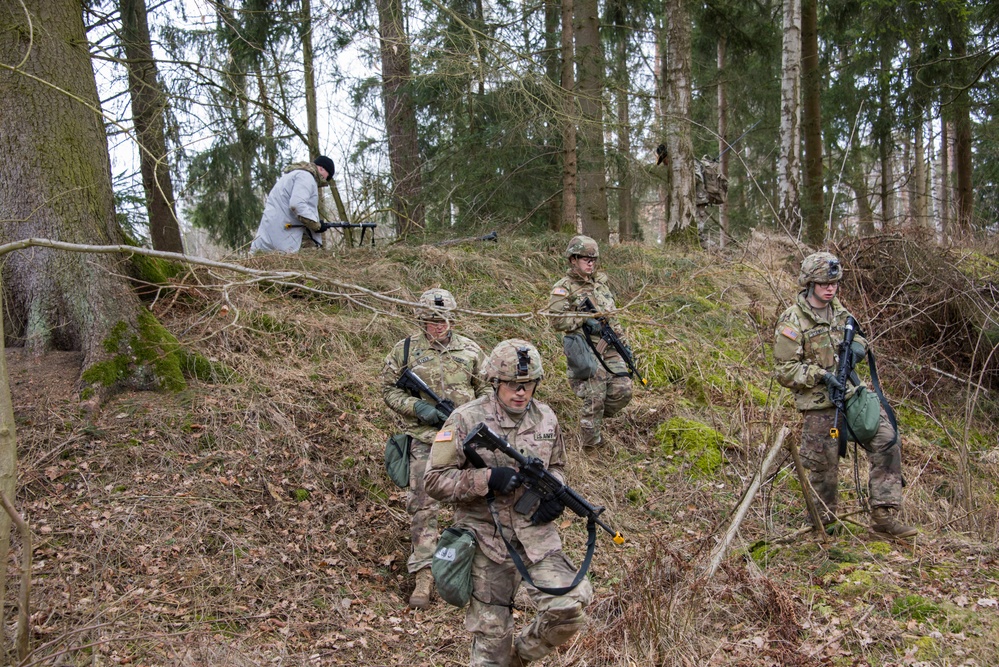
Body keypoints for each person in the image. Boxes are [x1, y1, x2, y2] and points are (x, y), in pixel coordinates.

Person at [425, 339, 593, 667]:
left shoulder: (546, 417)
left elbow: (557, 467)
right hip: (485, 540)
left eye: (528, 384)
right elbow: (433, 480)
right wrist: (486, 479)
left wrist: (553, 493)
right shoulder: (464, 418)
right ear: (494, 381)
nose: (521, 392)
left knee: (568, 609)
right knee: (491, 649)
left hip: (535, 535)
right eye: (513, 384)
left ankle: (519, 659)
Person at [773, 252, 917, 537]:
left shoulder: (840, 313)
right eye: (824, 284)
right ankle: (823, 527)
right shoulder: (792, 321)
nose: (830, 289)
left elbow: (858, 336)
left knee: (887, 439)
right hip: (818, 404)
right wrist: (820, 375)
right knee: (823, 468)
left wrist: (858, 349)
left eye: (834, 283)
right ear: (809, 283)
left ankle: (883, 517)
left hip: (851, 397)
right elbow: (784, 370)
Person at [381, 288, 490, 608]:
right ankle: (424, 575)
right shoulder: (405, 351)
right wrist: (418, 408)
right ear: (420, 319)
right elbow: (388, 389)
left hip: (464, 442)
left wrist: (473, 418)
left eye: (443, 319)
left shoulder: (471, 350)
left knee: (473, 503)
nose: (438, 325)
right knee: (423, 506)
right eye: (431, 319)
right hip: (425, 440)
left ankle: (468, 569)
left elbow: (488, 391)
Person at [547, 235, 634, 450]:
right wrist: (584, 319)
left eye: (593, 260)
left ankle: (592, 419)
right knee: (595, 394)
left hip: (608, 345)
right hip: (583, 347)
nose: (591, 263)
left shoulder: (601, 285)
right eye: (586, 259)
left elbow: (612, 317)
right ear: (573, 259)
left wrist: (624, 343)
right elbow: (556, 321)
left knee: (624, 389)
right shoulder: (564, 288)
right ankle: (590, 445)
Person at [250, 155, 337, 253]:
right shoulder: (306, 177)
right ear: (321, 168)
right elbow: (297, 205)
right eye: (328, 176)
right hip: (284, 237)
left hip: (269, 234)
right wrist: (316, 225)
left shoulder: (291, 176)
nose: (326, 179)